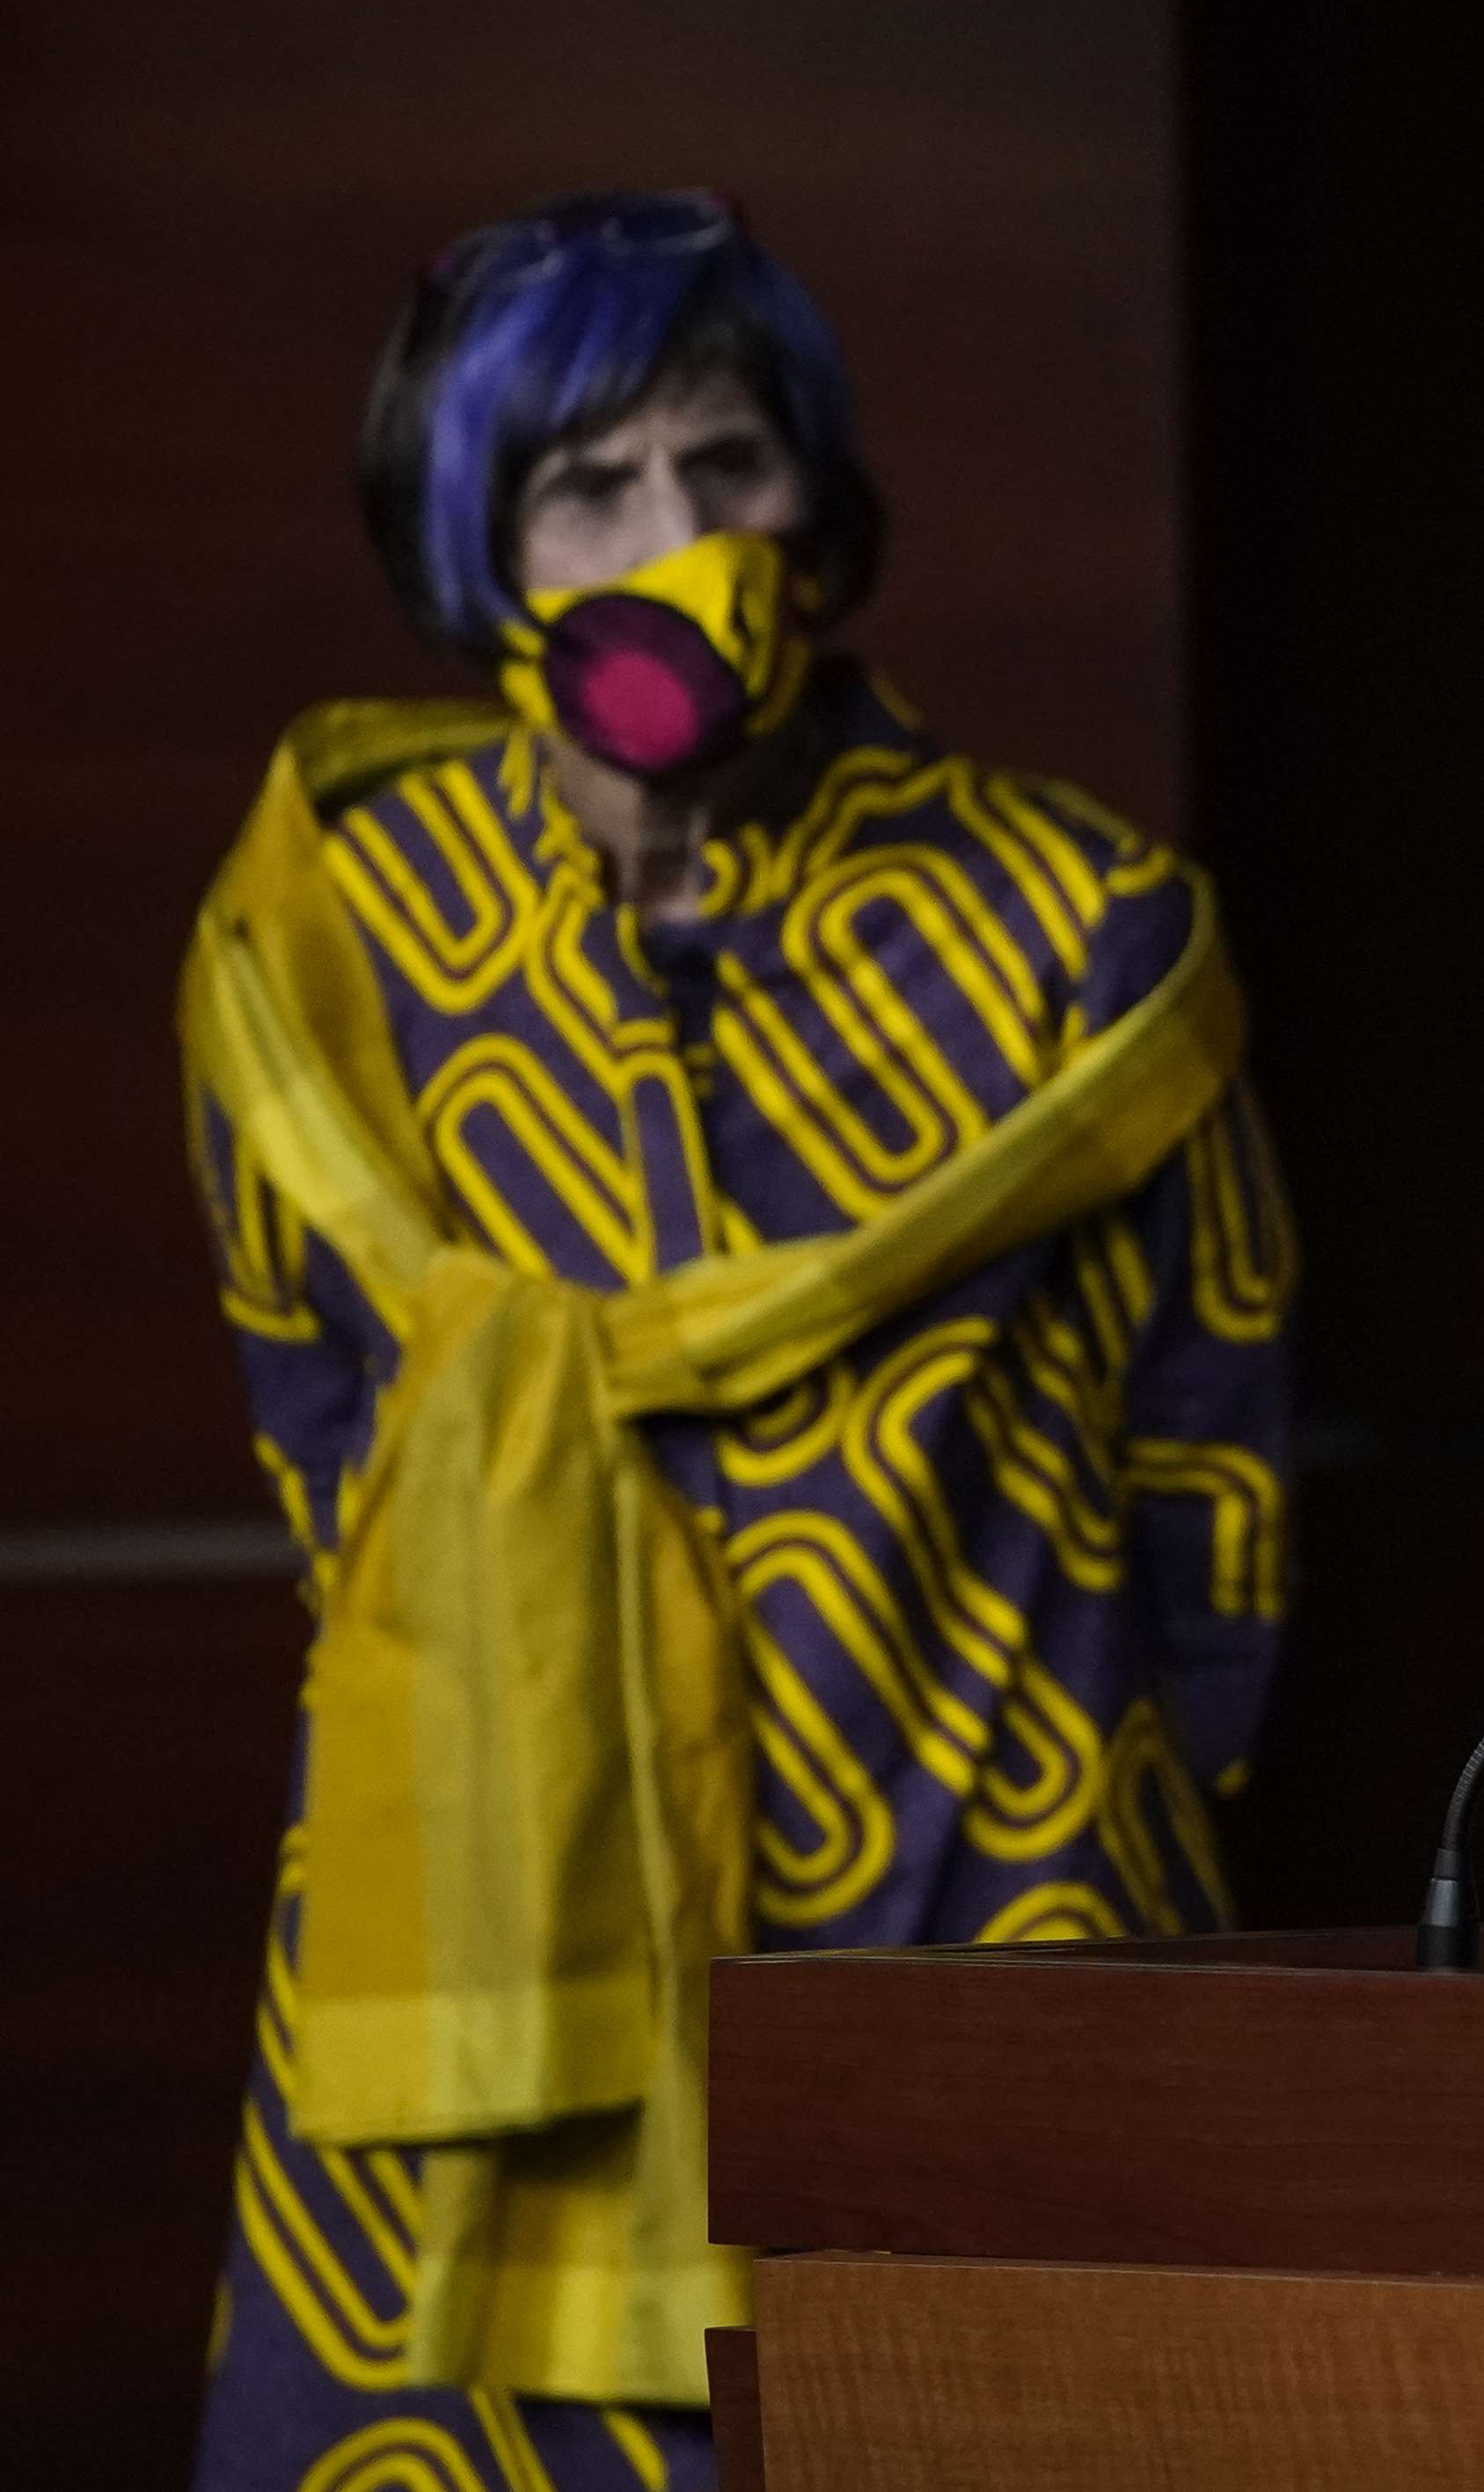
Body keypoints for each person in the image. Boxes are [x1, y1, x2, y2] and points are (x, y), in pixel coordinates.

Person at [179, 194, 1299, 2490]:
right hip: (502, 1950)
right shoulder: (333, 935)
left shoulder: (1073, 924)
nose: (674, 540)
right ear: (479, 550)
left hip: (976, 1897)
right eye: (588, 487)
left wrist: (1106, 1819)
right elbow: (325, 1436)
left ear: (821, 500)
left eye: (727, 462)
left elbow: (1214, 1452)